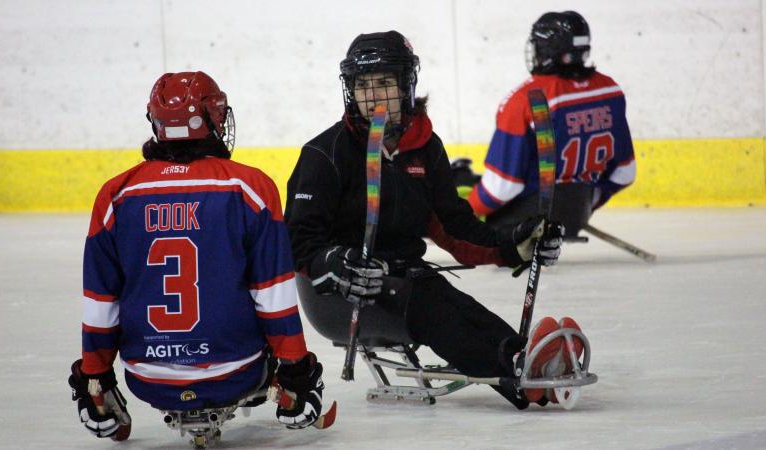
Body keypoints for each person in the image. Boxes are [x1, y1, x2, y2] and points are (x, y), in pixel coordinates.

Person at [285, 30, 583, 409]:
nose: (373, 95)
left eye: (384, 83)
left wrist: (514, 243)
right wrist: (332, 263)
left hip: (406, 279)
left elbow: (455, 227)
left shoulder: (424, 148)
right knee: (430, 306)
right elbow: (296, 242)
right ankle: (518, 368)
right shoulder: (323, 155)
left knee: (456, 304)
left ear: (407, 85)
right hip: (339, 296)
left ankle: (527, 360)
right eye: (363, 85)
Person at [68, 71, 327, 441]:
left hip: (147, 378)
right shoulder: (250, 188)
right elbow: (273, 295)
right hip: (235, 371)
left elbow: (100, 298)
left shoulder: (115, 195)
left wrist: (94, 374)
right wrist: (296, 370)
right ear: (213, 119)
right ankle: (283, 391)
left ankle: (102, 398)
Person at [467, 11, 636, 238]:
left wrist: (462, 215)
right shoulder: (609, 89)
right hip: (577, 215)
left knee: (465, 182)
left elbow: (503, 186)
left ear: (547, 51)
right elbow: (625, 172)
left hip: (525, 226)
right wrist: (582, 205)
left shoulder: (525, 100)